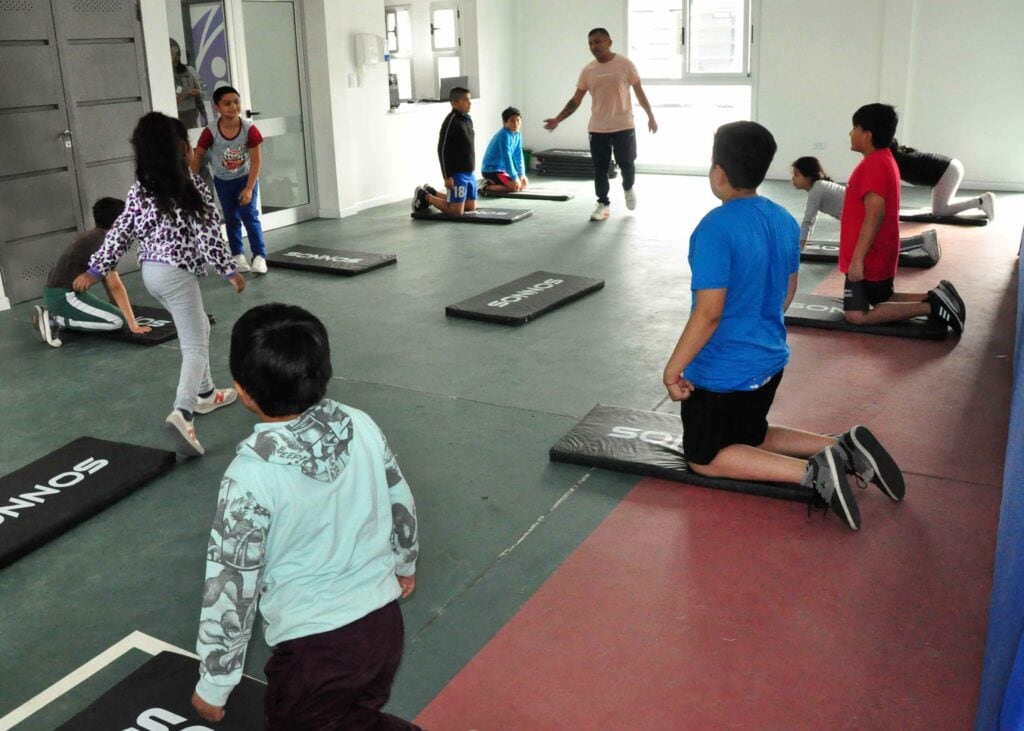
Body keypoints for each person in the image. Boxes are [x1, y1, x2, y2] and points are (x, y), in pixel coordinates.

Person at [662, 121, 906, 531]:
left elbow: (709, 313)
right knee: (750, 434)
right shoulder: (783, 220)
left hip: (722, 376)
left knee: (704, 457)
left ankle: (813, 473)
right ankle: (840, 446)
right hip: (771, 362)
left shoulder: (714, 229)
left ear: (717, 172)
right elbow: (787, 294)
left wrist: (672, 371)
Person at [190, 303, 421, 730]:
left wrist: (215, 683)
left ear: (242, 391)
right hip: (384, 628)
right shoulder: (361, 423)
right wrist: (405, 563)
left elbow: (231, 585)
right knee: (356, 714)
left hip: (315, 653)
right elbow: (400, 501)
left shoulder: (250, 476)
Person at [73, 112, 245, 457]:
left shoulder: (140, 190)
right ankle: (183, 412)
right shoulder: (190, 185)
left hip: (152, 274)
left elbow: (121, 232)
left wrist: (96, 269)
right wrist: (229, 269)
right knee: (194, 346)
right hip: (177, 275)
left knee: (197, 328)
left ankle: (207, 394)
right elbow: (207, 231)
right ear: (182, 147)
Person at [838, 104, 965, 334]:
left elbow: (875, 214)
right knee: (882, 296)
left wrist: (857, 260)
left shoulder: (874, 164)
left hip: (869, 257)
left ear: (867, 135)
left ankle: (932, 306)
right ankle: (935, 296)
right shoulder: (885, 158)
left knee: (856, 315)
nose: (851, 133)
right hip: (877, 253)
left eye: (855, 127)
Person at [543, 27, 658, 221]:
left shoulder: (625, 64)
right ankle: (603, 204)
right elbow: (576, 100)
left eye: (597, 41)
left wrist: (650, 116)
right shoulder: (588, 70)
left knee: (627, 163)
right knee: (600, 168)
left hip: (624, 125)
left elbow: (639, 91)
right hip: (597, 128)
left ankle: (628, 188)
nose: (593, 46)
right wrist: (558, 119)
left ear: (608, 42)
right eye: (590, 43)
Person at [33, 197, 151, 348]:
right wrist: (133, 325)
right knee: (117, 321)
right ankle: (56, 319)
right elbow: (115, 286)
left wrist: (126, 314)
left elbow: (109, 285)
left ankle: (59, 313)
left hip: (64, 292)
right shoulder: (104, 243)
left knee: (121, 315)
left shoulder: (95, 236)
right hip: (63, 297)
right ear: (117, 223)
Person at [191, 85, 269, 274]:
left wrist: (249, 188)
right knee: (231, 217)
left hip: (245, 178)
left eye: (236, 102)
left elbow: (257, 161)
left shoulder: (249, 130)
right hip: (223, 181)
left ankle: (259, 256)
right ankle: (237, 255)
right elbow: (198, 155)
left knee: (249, 215)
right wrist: (192, 181)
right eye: (227, 103)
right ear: (218, 107)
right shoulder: (210, 132)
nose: (233, 107)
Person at [890, 140, 996, 220]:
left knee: (939, 211)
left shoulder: (893, 160)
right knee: (941, 206)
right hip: (950, 167)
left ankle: (981, 201)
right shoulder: (896, 156)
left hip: (948, 171)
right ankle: (980, 200)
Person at [412, 86, 476, 216]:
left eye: (469, 100)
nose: (469, 103)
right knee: (456, 212)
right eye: (465, 100)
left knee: (470, 207)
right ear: (454, 103)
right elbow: (442, 150)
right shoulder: (451, 121)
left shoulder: (467, 119)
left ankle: (433, 192)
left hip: (469, 172)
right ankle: (425, 196)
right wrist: (447, 177)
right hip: (457, 173)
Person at [791, 156, 847, 250]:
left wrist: (799, 248)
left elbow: (808, 220)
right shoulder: (820, 186)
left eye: (796, 174)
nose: (793, 179)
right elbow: (811, 220)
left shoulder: (817, 189)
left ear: (808, 176)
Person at [480, 106, 529, 194]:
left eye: (518, 120)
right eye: (512, 121)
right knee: (514, 187)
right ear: (504, 122)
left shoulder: (517, 134)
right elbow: (507, 157)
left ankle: (493, 182)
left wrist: (522, 174)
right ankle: (486, 187)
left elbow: (518, 154)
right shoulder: (504, 135)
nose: (516, 124)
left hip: (502, 171)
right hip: (491, 171)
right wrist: (514, 177)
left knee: (522, 185)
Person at [170, 39, 206, 129]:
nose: (176, 57)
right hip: (176, 113)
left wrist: (198, 92)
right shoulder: (165, 75)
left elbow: (203, 90)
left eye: (177, 54)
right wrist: (185, 92)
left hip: (192, 112)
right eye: (172, 54)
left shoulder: (189, 70)